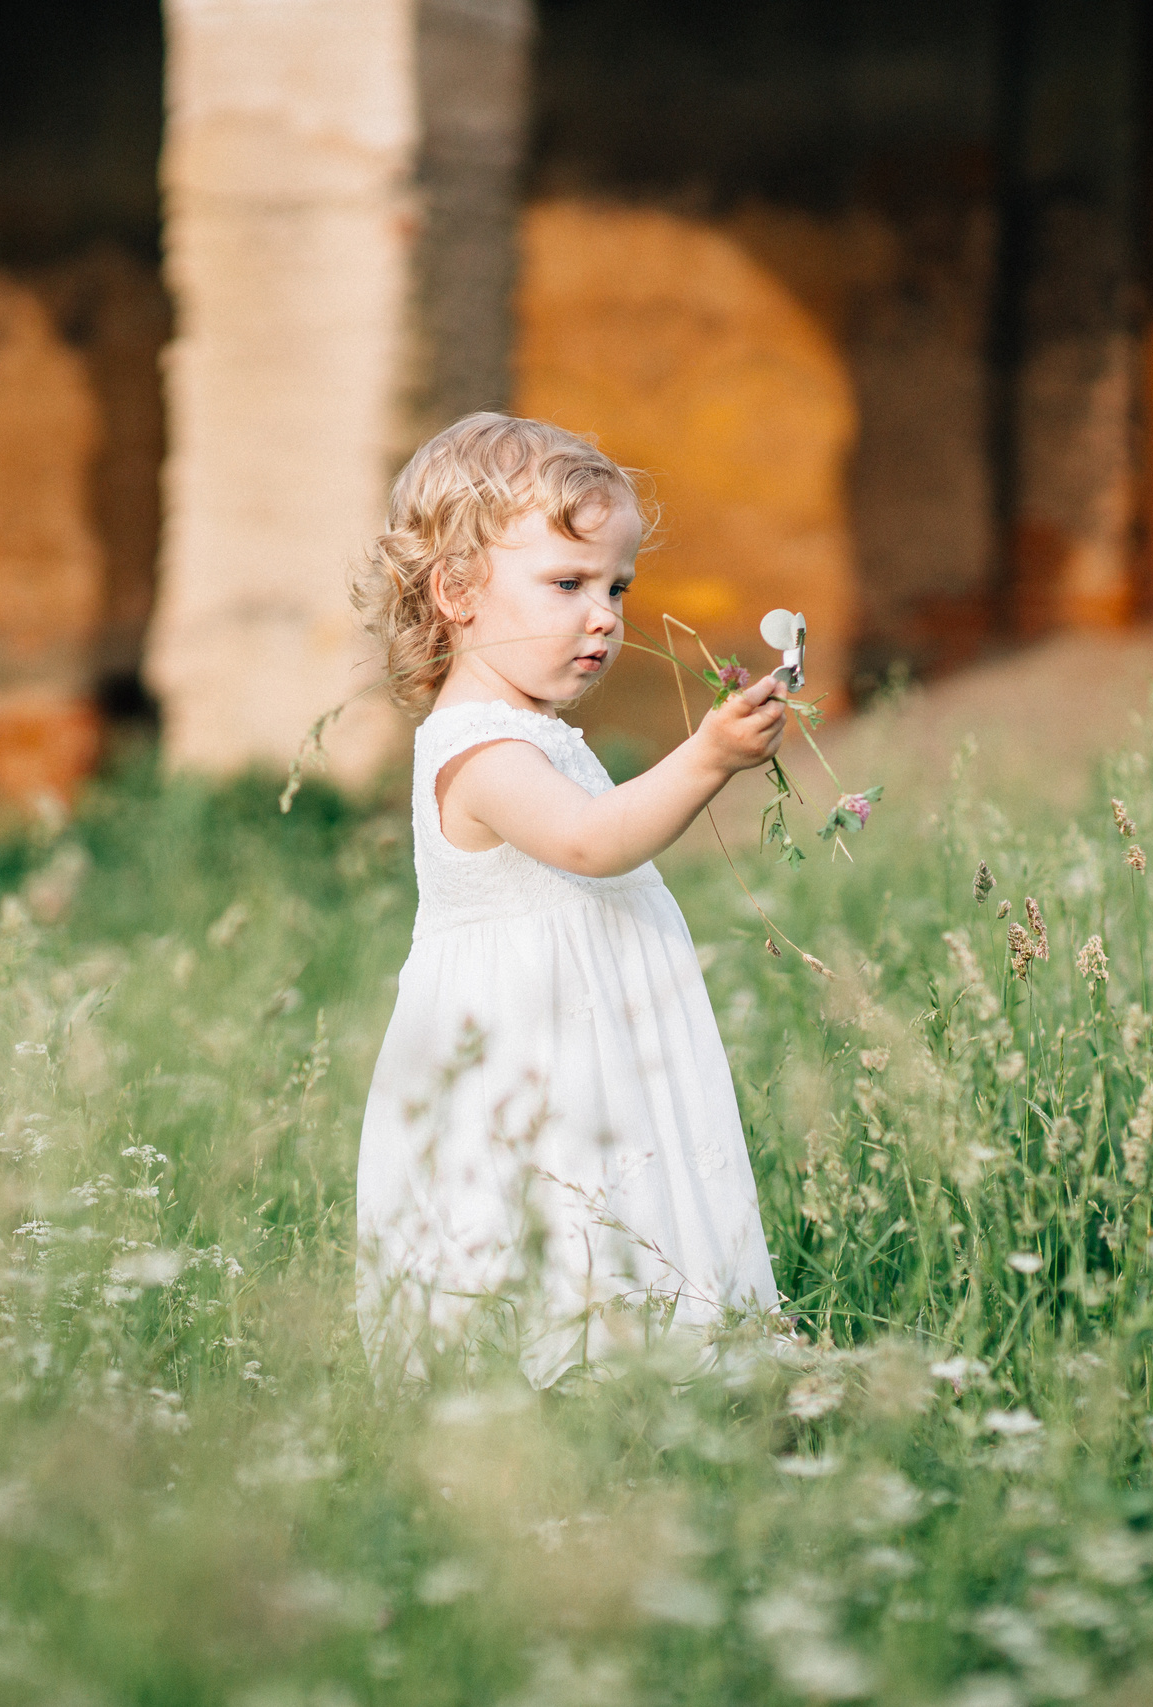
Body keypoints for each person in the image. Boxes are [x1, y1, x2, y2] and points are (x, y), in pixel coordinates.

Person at [351, 412, 787, 1385]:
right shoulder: (482, 747)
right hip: (530, 1052)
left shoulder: (529, 730)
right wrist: (709, 756)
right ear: (457, 592)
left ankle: (652, 1362)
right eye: (566, 584)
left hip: (589, 1031)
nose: (603, 615)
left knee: (617, 1194)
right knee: (544, 1210)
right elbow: (591, 844)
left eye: (615, 588)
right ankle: (545, 1383)